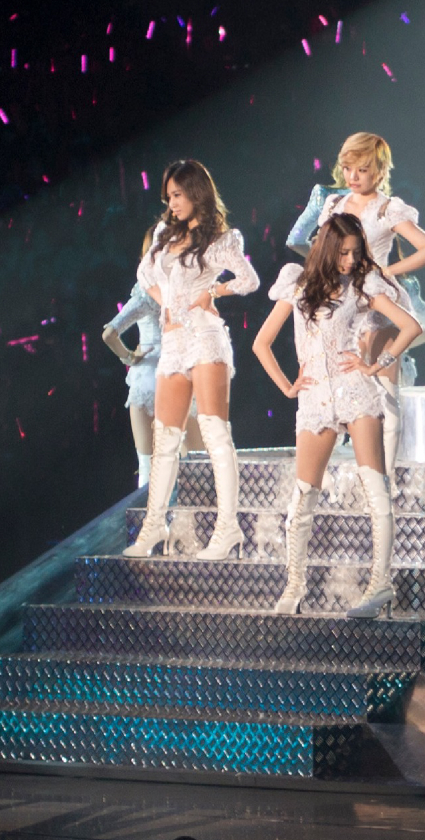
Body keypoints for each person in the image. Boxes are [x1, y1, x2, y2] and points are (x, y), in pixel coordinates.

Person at [253, 212, 423, 619]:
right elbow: (261, 343)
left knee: (376, 490)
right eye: (343, 252)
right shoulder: (297, 283)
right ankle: (294, 585)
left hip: (355, 391)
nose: (350, 261)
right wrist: (288, 387)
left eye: (355, 253)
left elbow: (410, 326)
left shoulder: (363, 285)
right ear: (327, 250)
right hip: (314, 398)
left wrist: (376, 364)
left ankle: (379, 584)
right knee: (303, 496)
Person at [285, 132, 425, 491]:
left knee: (384, 395)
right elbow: (318, 248)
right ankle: (332, 470)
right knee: (336, 383)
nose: (353, 176)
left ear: (380, 169)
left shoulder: (388, 209)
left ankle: (385, 480)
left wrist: (386, 272)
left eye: (362, 169)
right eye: (347, 168)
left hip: (375, 305)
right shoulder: (334, 204)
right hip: (338, 305)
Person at [122, 160, 261, 560]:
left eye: (178, 195)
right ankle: (153, 526)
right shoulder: (164, 234)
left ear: (196, 192)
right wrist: (169, 303)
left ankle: (227, 528)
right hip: (174, 341)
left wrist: (212, 293)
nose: (171, 203)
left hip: (205, 336)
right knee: (165, 439)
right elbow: (144, 273)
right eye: (168, 196)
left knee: (215, 433)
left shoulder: (220, 239)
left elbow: (249, 279)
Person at [101, 226, 164, 488]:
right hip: (181, 374)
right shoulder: (182, 289)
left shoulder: (146, 293)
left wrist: (128, 357)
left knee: (148, 469)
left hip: (149, 376)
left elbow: (109, 333)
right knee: (187, 464)